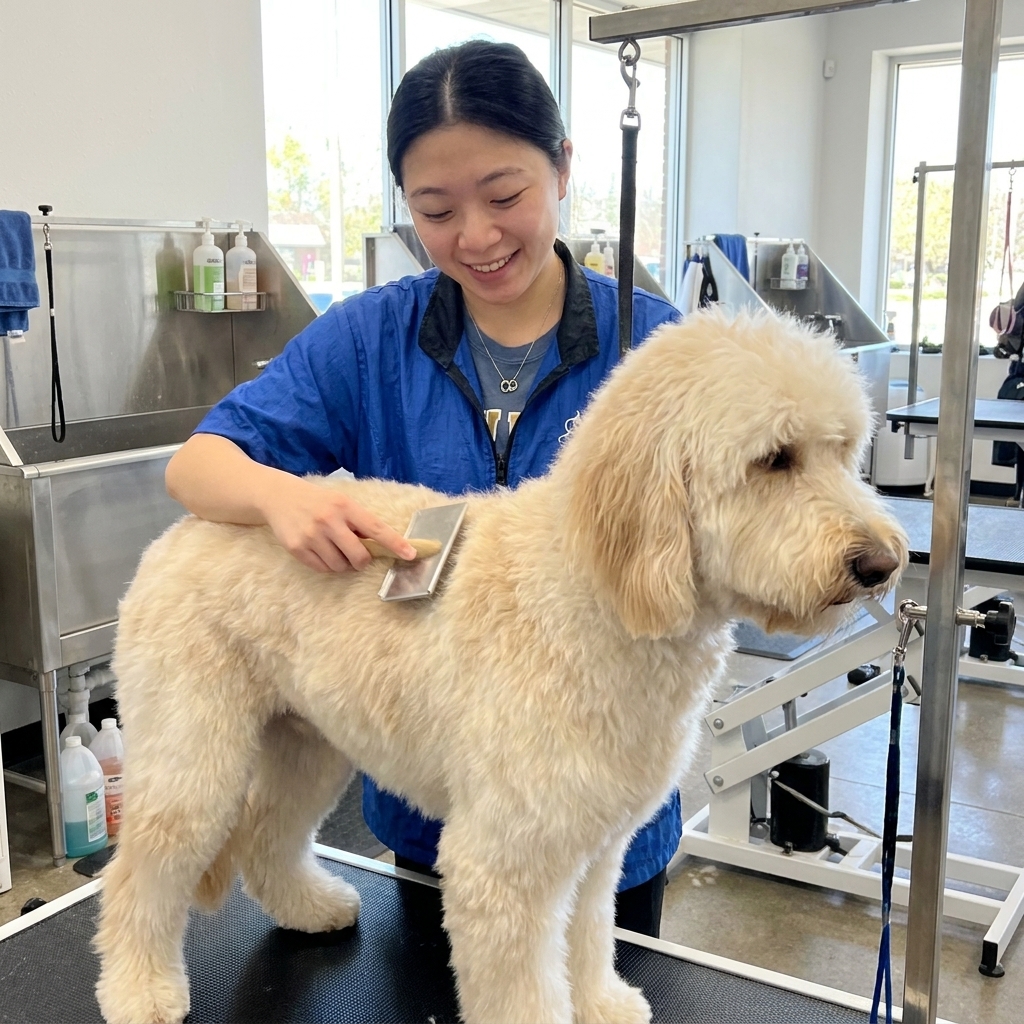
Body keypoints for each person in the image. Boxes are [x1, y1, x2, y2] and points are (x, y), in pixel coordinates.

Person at [165, 39, 682, 937]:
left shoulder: (653, 348)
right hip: (433, 797)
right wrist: (284, 498)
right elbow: (198, 464)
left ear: (562, 168)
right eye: (434, 210)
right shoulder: (369, 338)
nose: (475, 237)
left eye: (506, 196)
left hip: (601, 800)